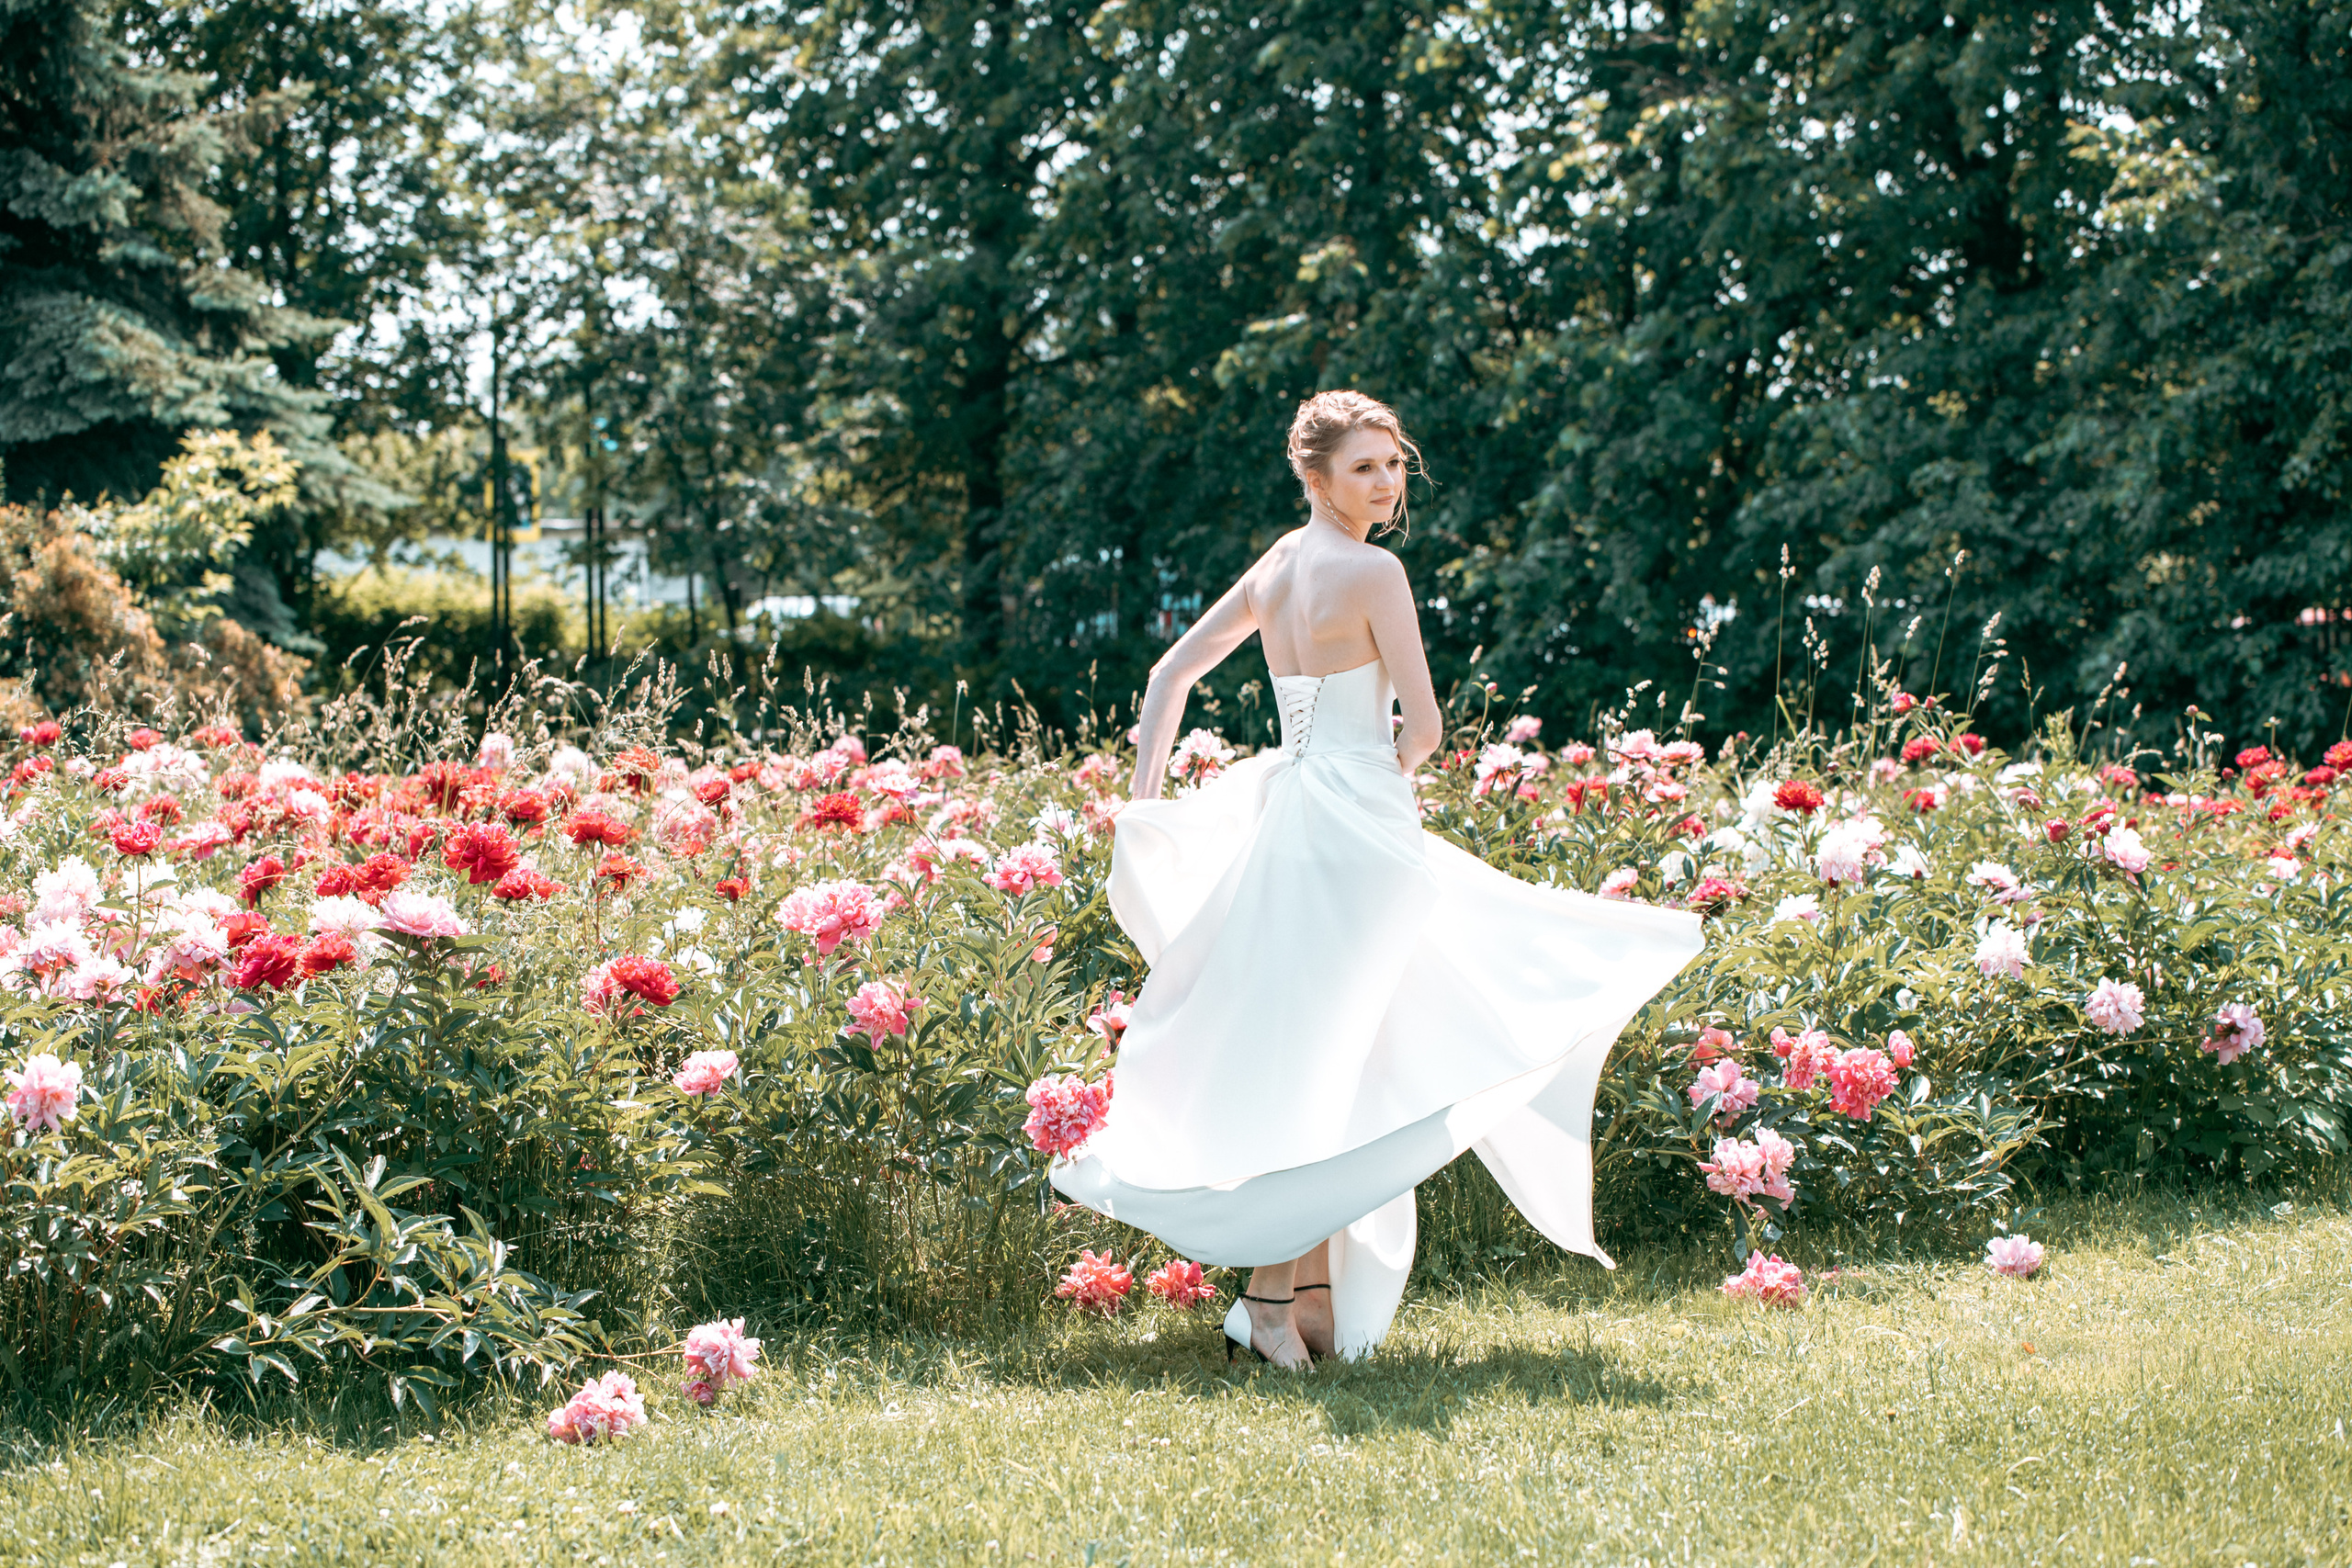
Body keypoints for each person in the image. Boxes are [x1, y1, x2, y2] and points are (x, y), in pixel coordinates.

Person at [1049, 389, 1703, 1369]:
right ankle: (1271, 1303)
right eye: (1365, 466)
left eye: (1395, 463)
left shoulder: (1275, 566)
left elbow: (1167, 677)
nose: (1388, 482)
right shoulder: (1374, 570)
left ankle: (1308, 1299)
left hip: (1286, 816)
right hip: (1354, 827)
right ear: (1315, 476)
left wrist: (1145, 807)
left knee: (1324, 1062)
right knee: (1344, 1063)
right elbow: (1425, 727)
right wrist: (1374, 784)